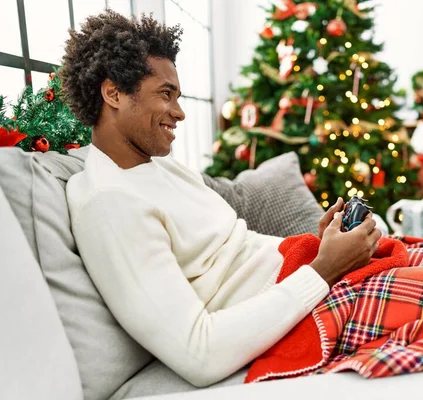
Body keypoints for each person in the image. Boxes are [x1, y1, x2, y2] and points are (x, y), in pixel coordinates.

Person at [63, 11, 381, 388]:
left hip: (305, 273)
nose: (179, 113)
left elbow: (239, 250)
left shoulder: (160, 168)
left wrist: (322, 248)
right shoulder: (108, 204)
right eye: (166, 94)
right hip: (310, 303)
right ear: (113, 93)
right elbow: (200, 353)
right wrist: (324, 270)